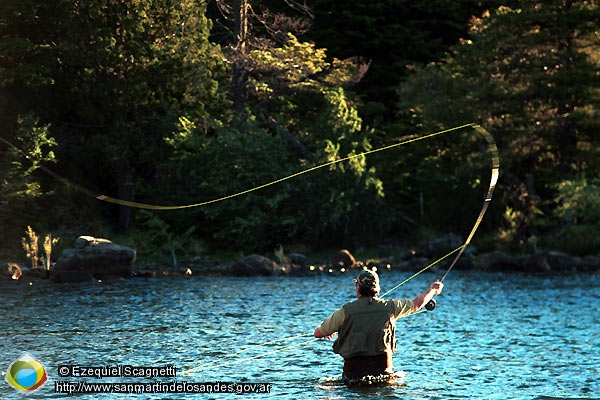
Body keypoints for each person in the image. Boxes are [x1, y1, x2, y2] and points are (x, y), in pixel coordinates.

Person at [313, 268, 444, 383]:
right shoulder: (391, 307)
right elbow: (417, 304)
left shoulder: (345, 312)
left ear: (358, 288)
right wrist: (432, 290)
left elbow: (318, 333)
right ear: (378, 288)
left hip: (353, 376)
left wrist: (333, 329)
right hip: (384, 373)